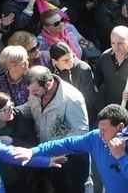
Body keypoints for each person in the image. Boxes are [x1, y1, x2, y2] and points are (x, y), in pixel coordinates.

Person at [15, 103, 128, 193]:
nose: (101, 134)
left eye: (105, 130)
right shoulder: (95, 138)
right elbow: (67, 143)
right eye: (100, 129)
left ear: (120, 127)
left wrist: (121, 156)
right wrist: (33, 151)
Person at [17, 65, 90, 193]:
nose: (31, 94)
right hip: (48, 157)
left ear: (48, 84)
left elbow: (80, 131)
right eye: (29, 90)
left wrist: (56, 150)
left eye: (34, 90)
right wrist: (13, 111)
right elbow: (29, 108)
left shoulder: (72, 99)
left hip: (69, 160)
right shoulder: (35, 93)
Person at [0, 92, 42, 191]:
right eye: (5, 110)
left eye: (11, 106)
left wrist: (14, 141)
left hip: (23, 174)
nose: (11, 111)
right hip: (1, 177)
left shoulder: (18, 117)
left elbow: (33, 144)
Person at [49, 42, 98, 124]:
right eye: (65, 60)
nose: (71, 62)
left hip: (83, 114)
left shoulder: (83, 69)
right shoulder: (51, 69)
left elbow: (88, 100)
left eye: (72, 57)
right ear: (55, 61)